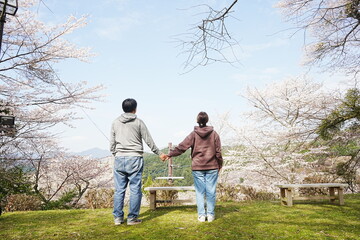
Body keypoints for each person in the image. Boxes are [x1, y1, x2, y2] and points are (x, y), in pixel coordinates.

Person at [110, 98, 166, 225]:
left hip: (119, 158)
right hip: (135, 158)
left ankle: (118, 219)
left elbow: (112, 144)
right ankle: (132, 218)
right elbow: (148, 140)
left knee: (119, 190)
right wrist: (159, 153)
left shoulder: (115, 122)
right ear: (135, 109)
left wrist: (117, 154)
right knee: (135, 189)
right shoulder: (139, 122)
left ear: (123, 108)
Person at [163, 112, 223, 222]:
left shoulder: (193, 134)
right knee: (211, 191)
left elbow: (181, 147)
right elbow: (218, 152)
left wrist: (169, 154)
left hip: (198, 167)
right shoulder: (214, 134)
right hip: (212, 166)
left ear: (197, 121)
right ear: (207, 120)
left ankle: (201, 215)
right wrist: (220, 164)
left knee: (200, 192)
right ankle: (210, 215)